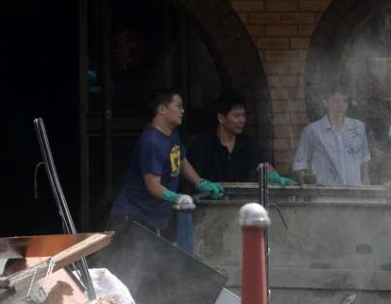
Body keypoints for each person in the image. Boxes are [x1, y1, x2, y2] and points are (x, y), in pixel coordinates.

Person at [110, 89, 224, 235]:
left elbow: (181, 160)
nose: (182, 111)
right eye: (178, 106)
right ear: (162, 109)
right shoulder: (151, 142)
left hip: (153, 216)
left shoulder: (172, 133)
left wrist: (200, 182)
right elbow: (152, 185)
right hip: (133, 216)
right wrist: (176, 197)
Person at [189, 93, 297, 185]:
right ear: (221, 118)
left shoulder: (247, 144)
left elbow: (263, 164)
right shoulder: (203, 144)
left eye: (243, 115)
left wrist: (275, 177)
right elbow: (191, 176)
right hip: (209, 203)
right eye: (237, 116)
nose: (242, 120)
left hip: (240, 203)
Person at [292, 87, 371, 185]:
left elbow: (364, 157)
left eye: (344, 101)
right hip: (324, 194)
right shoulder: (313, 130)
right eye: (335, 101)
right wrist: (308, 190)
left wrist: (366, 181)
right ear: (325, 103)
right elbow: (300, 163)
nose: (341, 105)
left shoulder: (358, 127)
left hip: (354, 192)